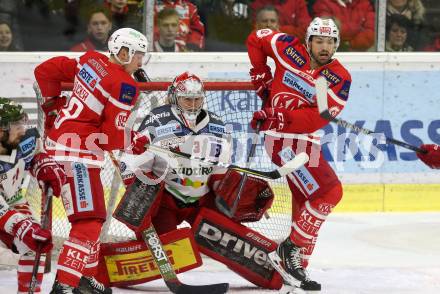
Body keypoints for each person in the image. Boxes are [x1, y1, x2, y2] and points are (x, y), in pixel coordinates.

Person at [117, 72, 283, 290]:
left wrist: (232, 191)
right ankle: (120, 263)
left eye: (197, 99)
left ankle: (273, 273)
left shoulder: (216, 125)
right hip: (165, 200)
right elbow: (129, 160)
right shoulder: (157, 120)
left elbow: (218, 170)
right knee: (170, 247)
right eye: (188, 99)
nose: (193, 105)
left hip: (201, 198)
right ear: (174, 98)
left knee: (229, 235)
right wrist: (136, 189)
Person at [34, 27, 150, 294]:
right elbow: (111, 138)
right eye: (137, 56)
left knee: (90, 218)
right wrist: (133, 140)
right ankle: (65, 284)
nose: (140, 62)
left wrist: (52, 107)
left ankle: (85, 277)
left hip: (57, 148)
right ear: (123, 52)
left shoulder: (89, 59)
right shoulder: (124, 85)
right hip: (77, 156)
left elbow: (45, 70)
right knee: (90, 221)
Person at [246, 17, 352, 292]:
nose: (325, 47)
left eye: (330, 42)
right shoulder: (288, 48)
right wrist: (260, 72)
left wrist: (280, 116)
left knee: (307, 204)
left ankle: (296, 270)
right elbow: (256, 38)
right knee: (331, 192)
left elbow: (317, 118)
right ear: (308, 41)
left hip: (306, 143)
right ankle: (289, 250)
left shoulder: (339, 77)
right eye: (319, 41)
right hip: (284, 143)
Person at [0, 97, 64, 293]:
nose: (22, 129)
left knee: (34, 242)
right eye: (16, 125)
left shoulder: (25, 140)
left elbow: (36, 154)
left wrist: (43, 165)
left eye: (23, 122)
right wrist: (19, 225)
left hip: (14, 202)